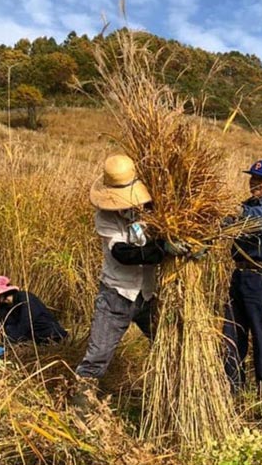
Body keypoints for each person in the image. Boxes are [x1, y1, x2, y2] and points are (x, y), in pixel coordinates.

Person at [74, 154, 182, 388]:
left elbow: (172, 230)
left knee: (170, 345)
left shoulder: (154, 210)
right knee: (97, 357)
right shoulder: (105, 217)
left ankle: (173, 392)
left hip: (148, 296)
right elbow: (124, 254)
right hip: (116, 296)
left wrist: (186, 244)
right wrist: (163, 248)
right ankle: (82, 407)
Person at [223, 159, 262, 397]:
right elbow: (226, 223)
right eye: (253, 178)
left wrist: (233, 211)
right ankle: (233, 389)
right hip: (240, 276)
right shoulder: (247, 205)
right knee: (232, 333)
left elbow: (253, 220)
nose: (255, 183)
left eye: (261, 180)